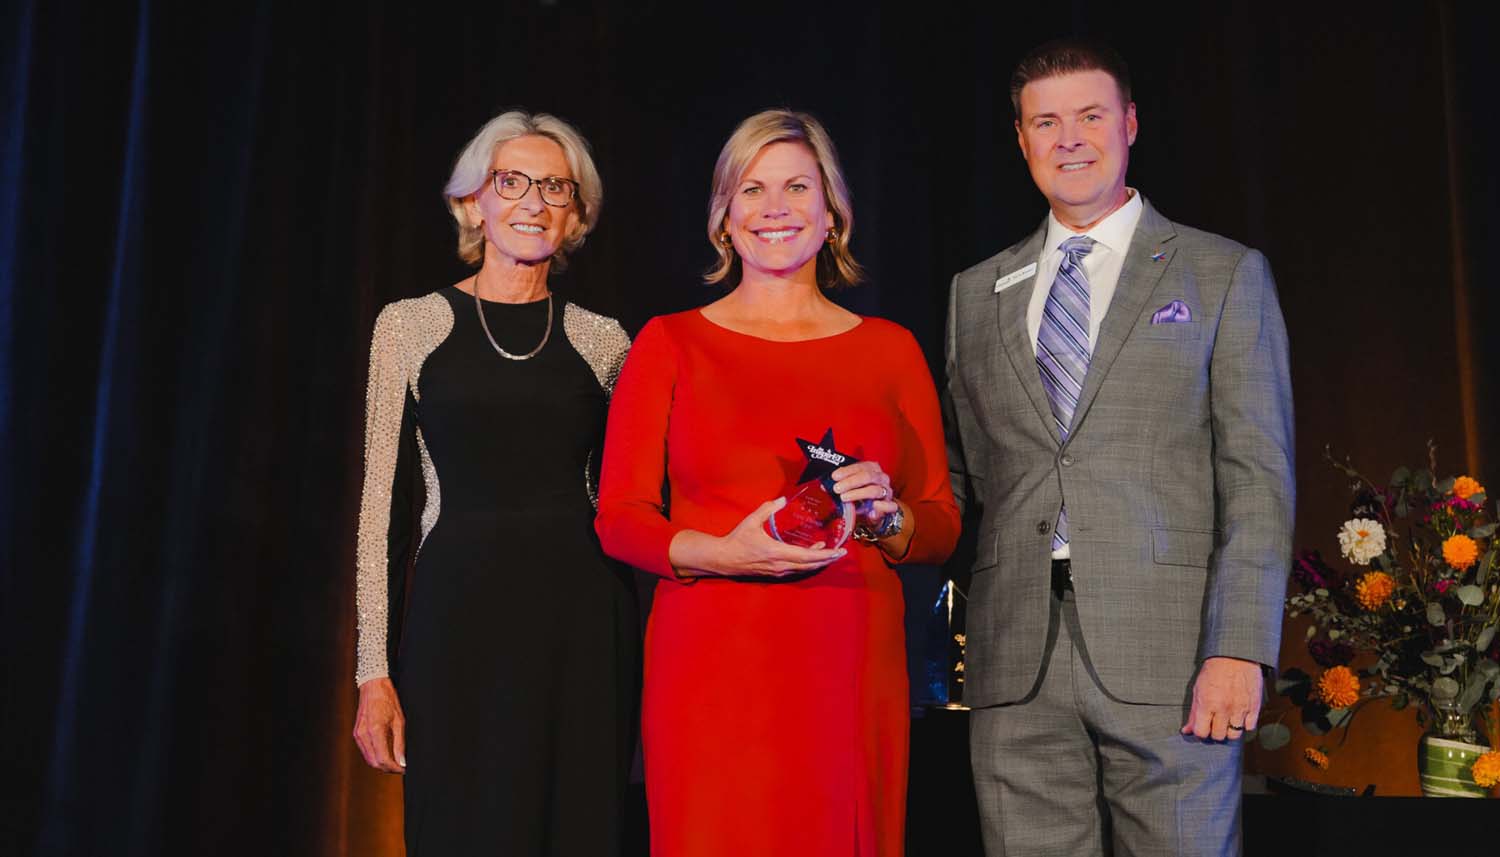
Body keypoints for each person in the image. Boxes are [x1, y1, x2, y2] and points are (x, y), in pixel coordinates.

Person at [944, 39, 1294, 855]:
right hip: (1015, 667)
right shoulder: (974, 292)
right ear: (1021, 140)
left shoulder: (1222, 273)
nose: (1069, 138)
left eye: (1090, 115)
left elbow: (1258, 481)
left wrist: (1240, 647)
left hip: (1173, 662)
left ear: (1130, 123)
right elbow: (966, 478)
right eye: (1046, 121)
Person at [595, 109, 959, 857]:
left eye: (798, 186)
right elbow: (621, 517)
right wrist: (726, 553)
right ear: (724, 216)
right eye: (752, 189)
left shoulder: (890, 349)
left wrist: (886, 518)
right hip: (712, 660)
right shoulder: (670, 342)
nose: (775, 207)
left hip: (849, 660)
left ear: (833, 215)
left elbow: (939, 525)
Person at [350, 110, 637, 855]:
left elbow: (631, 501)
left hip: (581, 630)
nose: (534, 202)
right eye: (512, 181)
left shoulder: (606, 339)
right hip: (458, 626)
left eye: (555, 187)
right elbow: (381, 507)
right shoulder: (409, 325)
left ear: (577, 214)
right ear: (472, 201)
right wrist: (372, 672)